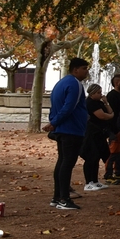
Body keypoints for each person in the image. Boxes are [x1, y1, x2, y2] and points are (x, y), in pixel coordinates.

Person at [43, 57, 91, 210]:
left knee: (62, 162)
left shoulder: (60, 83)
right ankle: (64, 198)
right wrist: (54, 122)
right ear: (75, 69)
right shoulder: (74, 84)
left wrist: (54, 122)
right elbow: (69, 107)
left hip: (63, 129)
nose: (87, 71)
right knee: (67, 164)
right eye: (84, 68)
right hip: (71, 129)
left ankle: (57, 197)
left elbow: (55, 105)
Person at [81, 84, 113, 192]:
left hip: (99, 133)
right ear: (92, 93)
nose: (101, 94)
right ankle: (88, 182)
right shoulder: (90, 103)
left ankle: (95, 180)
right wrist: (111, 116)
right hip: (91, 133)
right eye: (98, 93)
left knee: (98, 156)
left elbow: (108, 112)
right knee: (91, 157)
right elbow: (102, 115)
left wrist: (106, 103)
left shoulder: (99, 102)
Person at [104, 73, 120, 183]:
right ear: (117, 83)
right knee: (113, 152)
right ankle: (108, 173)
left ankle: (118, 171)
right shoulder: (112, 95)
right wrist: (112, 130)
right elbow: (111, 114)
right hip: (115, 129)